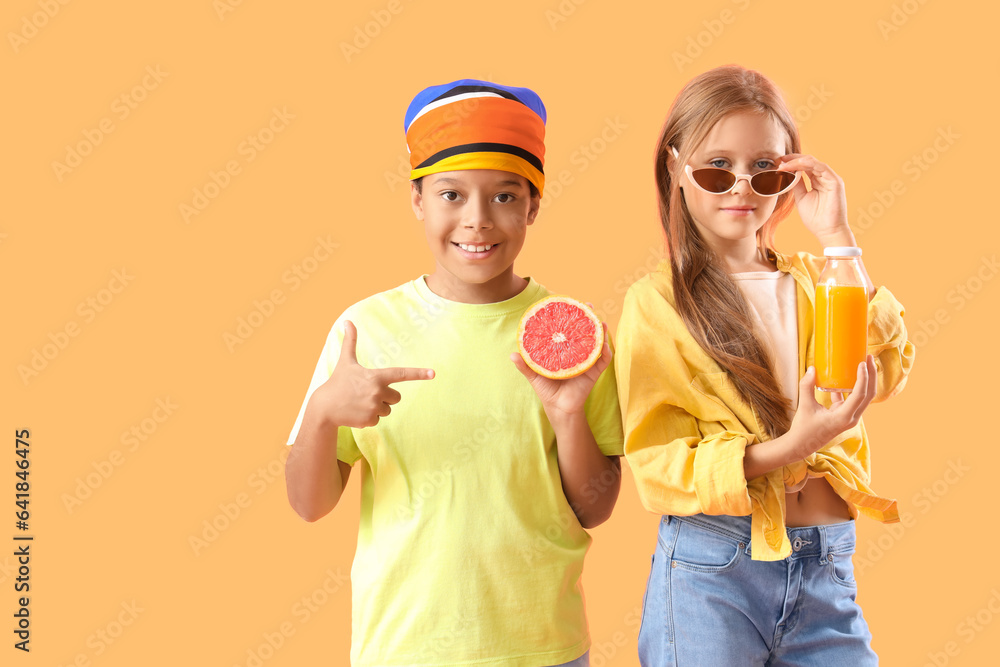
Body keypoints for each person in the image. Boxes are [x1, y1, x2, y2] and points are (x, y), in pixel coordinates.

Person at [284, 79, 623, 667]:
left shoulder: (568, 331)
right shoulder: (363, 329)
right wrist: (320, 415)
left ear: (533, 206)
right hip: (404, 648)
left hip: (543, 648)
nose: (477, 221)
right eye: (451, 195)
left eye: (505, 197)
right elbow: (309, 505)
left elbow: (595, 507)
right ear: (417, 200)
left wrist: (569, 420)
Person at [615, 65, 915, 665]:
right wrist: (791, 446)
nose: (741, 186)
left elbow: (887, 362)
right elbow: (659, 462)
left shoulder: (817, 280)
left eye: (765, 168)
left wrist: (839, 238)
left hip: (825, 561)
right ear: (675, 168)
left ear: (790, 174)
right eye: (715, 166)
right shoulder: (658, 304)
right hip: (713, 570)